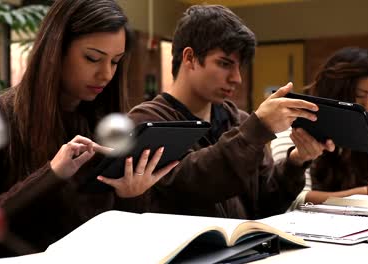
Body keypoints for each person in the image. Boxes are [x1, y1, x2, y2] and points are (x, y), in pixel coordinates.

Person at [0, 0, 178, 259]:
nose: (106, 74)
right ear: (56, 51)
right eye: (92, 58)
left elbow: (114, 237)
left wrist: (131, 195)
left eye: (115, 62)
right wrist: (50, 175)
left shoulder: (104, 122)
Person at [128, 5, 334, 220]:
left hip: (244, 249)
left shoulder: (238, 121)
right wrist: (257, 129)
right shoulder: (148, 121)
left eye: (238, 67)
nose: (236, 78)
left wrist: (296, 162)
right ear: (189, 58)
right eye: (224, 64)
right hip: (189, 251)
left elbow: (266, 204)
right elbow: (196, 184)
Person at [271, 47, 368, 207]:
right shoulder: (291, 131)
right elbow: (296, 200)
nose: (367, 105)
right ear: (336, 90)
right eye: (360, 95)